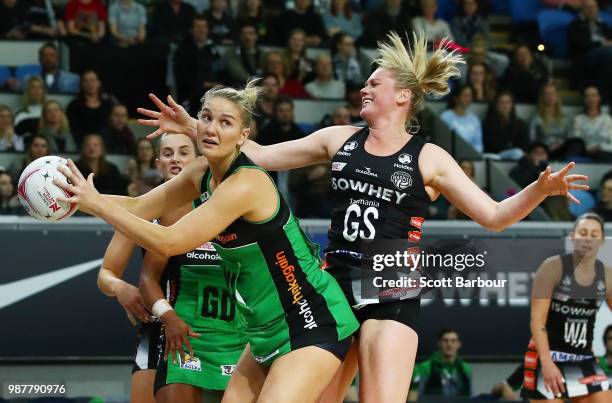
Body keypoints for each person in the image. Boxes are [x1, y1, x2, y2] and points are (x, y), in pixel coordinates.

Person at [137, 32, 588, 403]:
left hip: (388, 290)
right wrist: (195, 126)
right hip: (331, 287)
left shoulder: (428, 157)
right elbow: (259, 154)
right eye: (365, 83)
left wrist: (539, 189)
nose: (364, 89)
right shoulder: (340, 138)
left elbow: (494, 216)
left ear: (403, 97)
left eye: (374, 83)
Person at [56, 81, 359, 403]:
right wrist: (76, 199)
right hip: (263, 332)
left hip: (309, 319)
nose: (212, 128)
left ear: (243, 136)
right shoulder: (200, 172)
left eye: (225, 122)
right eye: (206, 117)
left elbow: (170, 242)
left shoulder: (246, 183)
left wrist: (98, 204)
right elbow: (139, 207)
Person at [98, 132, 245, 403]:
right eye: (167, 154)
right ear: (157, 163)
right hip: (161, 323)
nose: (175, 159)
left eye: (183, 152)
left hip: (221, 328)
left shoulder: (223, 203)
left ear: (199, 159)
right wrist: (120, 288)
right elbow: (106, 274)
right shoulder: (141, 210)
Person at [523, 213, 612, 402]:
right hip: (548, 354)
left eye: (594, 235)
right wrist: (547, 363)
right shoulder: (553, 267)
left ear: (602, 241)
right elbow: (537, 322)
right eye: (583, 232)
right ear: (573, 236)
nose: (588, 238)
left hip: (583, 357)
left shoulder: (607, 274)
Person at [173, 15, 222, 113]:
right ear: (192, 30)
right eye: (198, 27)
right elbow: (181, 77)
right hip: (190, 95)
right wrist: (206, 84)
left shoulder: (213, 49)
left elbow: (220, 70)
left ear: (208, 30)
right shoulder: (182, 50)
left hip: (213, 92)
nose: (201, 30)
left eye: (204, 27)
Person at [408, 328, 472, 401]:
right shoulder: (425, 367)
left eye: (453, 341)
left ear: (459, 344)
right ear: (439, 343)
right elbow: (412, 398)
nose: (449, 344)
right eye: (445, 340)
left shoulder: (465, 368)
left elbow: (468, 396)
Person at [66, 70, 117, 147]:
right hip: (81, 145)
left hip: (106, 146)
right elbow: (73, 130)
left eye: (93, 80)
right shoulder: (74, 106)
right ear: (82, 84)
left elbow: (113, 128)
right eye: (86, 81)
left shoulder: (108, 105)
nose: (90, 84)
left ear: (99, 83)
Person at [482, 90, 529, 160]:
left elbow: (524, 145)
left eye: (508, 102)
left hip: (516, 155)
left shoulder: (520, 124)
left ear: (512, 105)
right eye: (502, 102)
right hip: (494, 155)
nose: (505, 105)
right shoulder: (487, 123)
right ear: (496, 104)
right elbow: (490, 144)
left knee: (519, 153)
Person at [572, 86, 612, 162]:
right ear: (584, 99)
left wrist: (600, 147)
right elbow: (576, 142)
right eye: (587, 96)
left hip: (605, 154)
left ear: (599, 98)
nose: (590, 99)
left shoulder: (607, 119)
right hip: (584, 155)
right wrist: (588, 149)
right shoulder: (578, 120)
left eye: (593, 95)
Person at [530, 83, 570, 156]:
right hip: (543, 152)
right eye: (547, 94)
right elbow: (532, 140)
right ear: (543, 97)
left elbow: (569, 138)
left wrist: (558, 144)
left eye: (553, 93)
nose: (550, 96)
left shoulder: (565, 118)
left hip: (562, 150)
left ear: (557, 96)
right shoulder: (536, 118)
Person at [440, 85, 484, 153]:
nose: (469, 99)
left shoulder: (474, 119)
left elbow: (478, 145)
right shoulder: (445, 117)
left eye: (471, 96)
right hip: (451, 156)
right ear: (456, 98)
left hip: (472, 158)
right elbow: (442, 142)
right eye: (466, 95)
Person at [221, 23, 263, 87]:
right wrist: (257, 80)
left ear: (256, 36)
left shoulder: (262, 53)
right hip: (239, 87)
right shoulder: (232, 53)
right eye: (244, 34)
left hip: (260, 87)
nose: (247, 37)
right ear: (240, 37)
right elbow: (237, 73)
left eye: (250, 33)